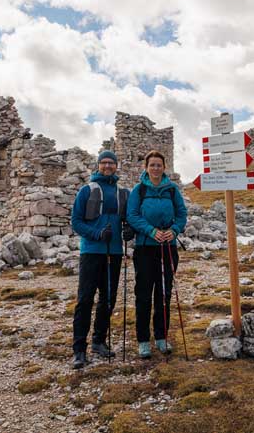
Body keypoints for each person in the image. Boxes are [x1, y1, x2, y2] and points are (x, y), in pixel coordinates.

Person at [70, 150, 128, 369]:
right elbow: (75, 221)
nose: (107, 166)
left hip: (114, 252)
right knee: (85, 299)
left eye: (111, 163)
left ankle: (98, 341)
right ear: (98, 165)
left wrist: (129, 230)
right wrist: (96, 234)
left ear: (116, 165)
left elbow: (128, 219)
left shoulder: (123, 193)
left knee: (109, 299)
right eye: (103, 163)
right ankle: (78, 350)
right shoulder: (87, 190)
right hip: (91, 251)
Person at [127, 150, 187, 359]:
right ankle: (143, 340)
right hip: (145, 247)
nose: (155, 168)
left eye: (159, 165)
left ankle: (161, 337)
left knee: (164, 294)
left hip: (167, 247)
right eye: (152, 165)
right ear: (146, 168)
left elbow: (181, 214)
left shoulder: (172, 190)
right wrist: (151, 231)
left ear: (164, 167)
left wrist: (175, 230)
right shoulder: (139, 190)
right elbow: (132, 215)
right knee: (143, 294)